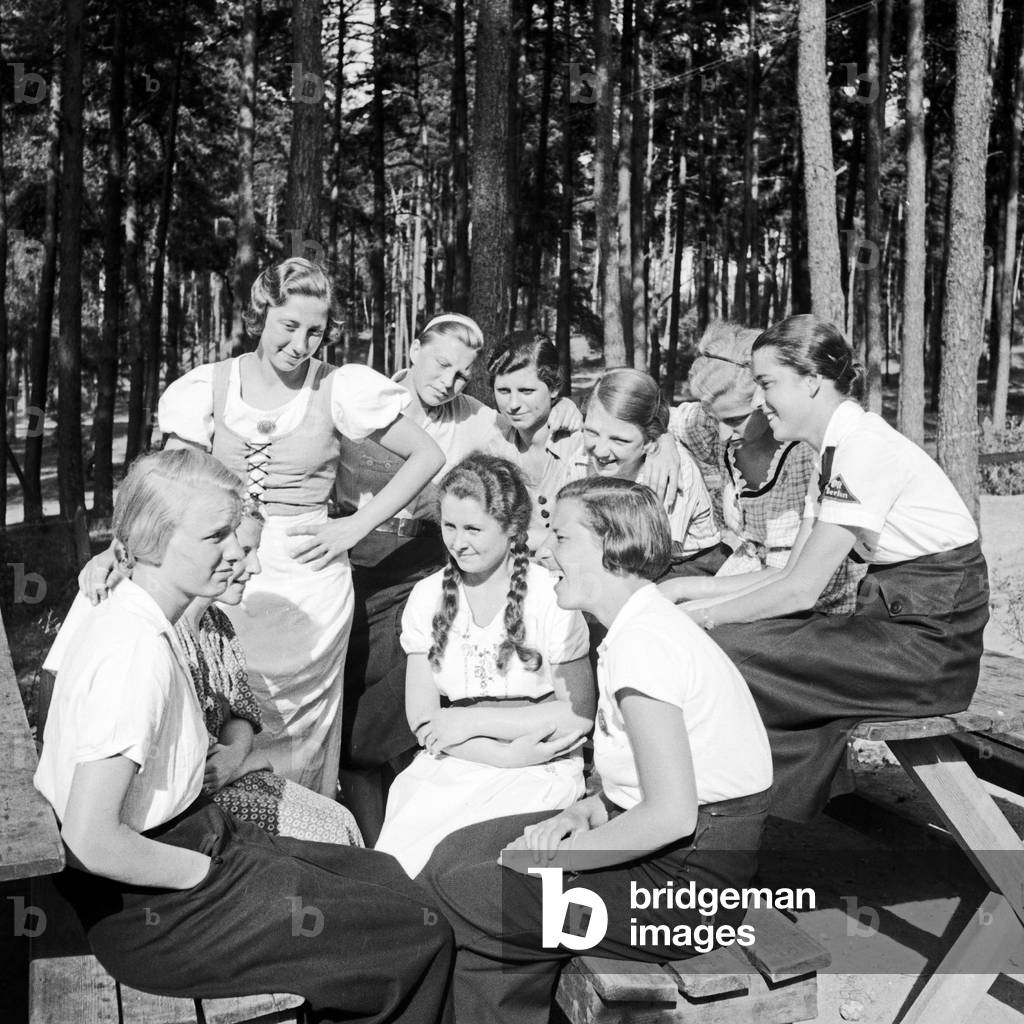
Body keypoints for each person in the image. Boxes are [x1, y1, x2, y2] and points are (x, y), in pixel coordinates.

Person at [34, 449, 452, 1024]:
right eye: (215, 536)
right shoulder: (133, 652)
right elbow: (89, 840)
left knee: (386, 880)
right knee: (415, 937)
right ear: (152, 542)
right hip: (155, 905)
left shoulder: (149, 621)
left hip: (197, 839)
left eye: (234, 531)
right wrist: (206, 874)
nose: (238, 552)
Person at [419, 476, 772, 1024]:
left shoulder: (645, 645)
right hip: (663, 852)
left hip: (683, 892)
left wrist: (556, 859)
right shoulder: (635, 628)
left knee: (472, 888)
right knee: (455, 852)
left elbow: (673, 815)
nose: (540, 549)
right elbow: (645, 783)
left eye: (560, 536)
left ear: (610, 546)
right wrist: (583, 813)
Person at [671, 314, 989, 821]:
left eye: (767, 383)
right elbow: (786, 573)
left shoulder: (863, 449)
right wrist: (685, 594)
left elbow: (801, 590)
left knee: (724, 653)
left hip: (929, 652)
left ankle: (727, 807)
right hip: (892, 628)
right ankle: (732, 802)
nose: (760, 400)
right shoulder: (833, 451)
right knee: (729, 647)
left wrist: (700, 618)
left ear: (812, 381)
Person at [155, 257, 444, 797]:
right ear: (260, 314)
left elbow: (427, 455)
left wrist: (355, 526)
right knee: (216, 700)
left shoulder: (338, 387)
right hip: (227, 567)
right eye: (289, 326)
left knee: (296, 728)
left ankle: (303, 821)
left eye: (315, 331)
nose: (300, 344)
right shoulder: (208, 386)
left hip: (310, 577)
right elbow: (167, 484)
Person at [337, 315, 579, 840]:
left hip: (422, 558)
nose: (449, 382)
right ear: (413, 348)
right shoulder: (362, 398)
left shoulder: (477, 418)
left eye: (463, 374)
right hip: (349, 556)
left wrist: (568, 408)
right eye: (442, 363)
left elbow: (530, 421)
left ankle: (388, 817)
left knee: (384, 709)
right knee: (341, 698)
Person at [74, 506, 363, 844]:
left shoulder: (217, 624)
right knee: (327, 836)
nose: (255, 567)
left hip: (224, 779)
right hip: (180, 807)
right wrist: (242, 765)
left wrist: (235, 755)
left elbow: (240, 713)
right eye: (245, 552)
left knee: (341, 820)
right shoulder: (157, 632)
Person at [374, 455, 594, 877]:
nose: (458, 543)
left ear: (512, 528)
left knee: (472, 869)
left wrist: (472, 723)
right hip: (459, 757)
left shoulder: (550, 595)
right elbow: (424, 719)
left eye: (473, 529)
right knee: (404, 864)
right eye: (449, 526)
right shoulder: (427, 596)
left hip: (539, 760)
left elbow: (577, 713)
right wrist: (498, 754)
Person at [662, 321, 861, 612]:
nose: (722, 434)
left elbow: (788, 579)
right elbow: (656, 414)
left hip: (809, 604)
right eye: (714, 418)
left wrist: (687, 591)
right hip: (744, 577)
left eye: (734, 420)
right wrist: (663, 441)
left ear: (766, 399)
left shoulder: (802, 457)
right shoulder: (717, 422)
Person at [488, 332, 681, 554]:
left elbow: (643, 416)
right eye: (503, 391)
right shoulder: (496, 448)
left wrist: (664, 440)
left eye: (526, 391)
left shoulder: (587, 443)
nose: (513, 404)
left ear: (554, 388)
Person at [564, 368, 722, 575]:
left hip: (680, 563)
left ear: (649, 441)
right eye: (591, 432)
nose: (600, 450)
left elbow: (653, 554)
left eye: (619, 440)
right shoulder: (582, 460)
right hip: (610, 552)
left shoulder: (671, 472)